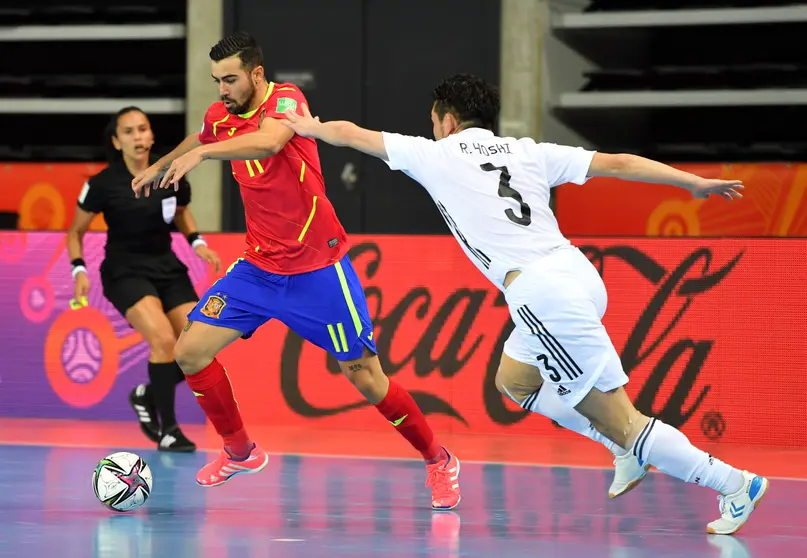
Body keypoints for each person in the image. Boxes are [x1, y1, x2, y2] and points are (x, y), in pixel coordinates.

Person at [277, 73, 769, 535]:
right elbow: (617, 163)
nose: (432, 128)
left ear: (446, 120)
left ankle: (733, 484)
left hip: (541, 292)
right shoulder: (528, 150)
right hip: (577, 272)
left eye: (433, 121)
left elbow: (351, 133)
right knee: (514, 380)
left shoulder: (435, 154)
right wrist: (691, 183)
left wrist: (307, 127)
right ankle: (622, 448)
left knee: (622, 417)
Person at [129, 32, 462, 510]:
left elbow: (267, 144)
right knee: (190, 352)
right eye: (216, 81)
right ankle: (240, 451)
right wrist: (163, 164)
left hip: (318, 269)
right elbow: (203, 135)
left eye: (230, 79)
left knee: (367, 378)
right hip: (258, 269)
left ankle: (437, 459)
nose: (222, 90)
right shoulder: (219, 116)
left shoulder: (287, 101)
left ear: (257, 74)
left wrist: (201, 156)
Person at [67, 106, 222, 453]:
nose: (138, 137)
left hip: (168, 267)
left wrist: (197, 242)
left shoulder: (173, 174)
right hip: (125, 272)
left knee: (199, 346)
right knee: (164, 340)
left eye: (143, 129)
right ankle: (168, 430)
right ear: (116, 141)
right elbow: (75, 232)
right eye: (129, 131)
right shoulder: (102, 184)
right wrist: (79, 269)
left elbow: (181, 212)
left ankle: (148, 394)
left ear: (152, 136)